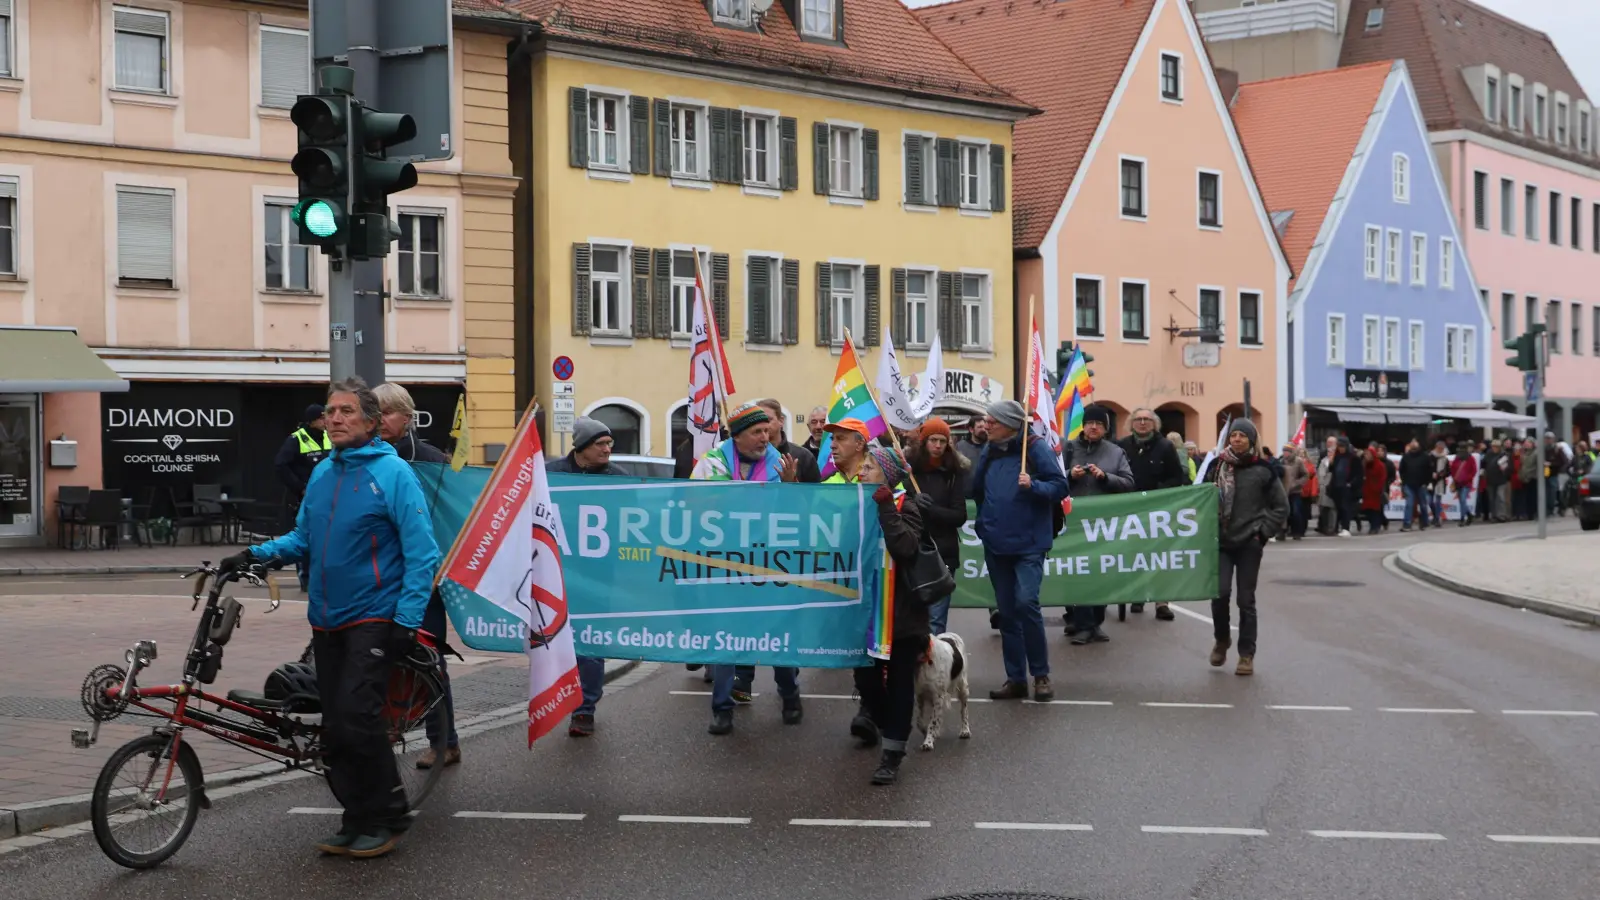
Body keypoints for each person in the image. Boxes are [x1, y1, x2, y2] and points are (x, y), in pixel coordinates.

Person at [223, 377, 440, 859]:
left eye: (345, 411)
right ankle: (356, 818)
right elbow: (302, 539)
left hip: (376, 615)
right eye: (329, 411)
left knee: (359, 718)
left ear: (371, 421)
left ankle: (390, 813)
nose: (335, 418)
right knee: (335, 727)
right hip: (327, 617)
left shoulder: (394, 475)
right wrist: (253, 555)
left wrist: (405, 620)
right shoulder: (323, 474)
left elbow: (423, 553)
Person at [692, 403, 801, 735]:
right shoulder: (712, 465)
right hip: (727, 567)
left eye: (767, 431)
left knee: (778, 638)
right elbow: (693, 506)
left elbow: (798, 516)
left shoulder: (780, 465)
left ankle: (790, 695)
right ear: (736, 436)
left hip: (770, 567)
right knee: (726, 639)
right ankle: (721, 709)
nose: (765, 438)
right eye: (756, 432)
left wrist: (792, 487)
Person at [373, 383, 457, 768]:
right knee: (378, 657)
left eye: (389, 412)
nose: (382, 420)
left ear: (407, 418)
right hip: (378, 577)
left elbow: (446, 520)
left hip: (424, 577)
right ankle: (388, 726)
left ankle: (443, 741)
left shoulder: (431, 460)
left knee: (427, 660)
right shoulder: (366, 458)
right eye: (376, 412)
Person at [971, 400, 1069, 702]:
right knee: (1007, 614)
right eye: (986, 421)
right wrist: (984, 524)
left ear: (1011, 425)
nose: (987, 426)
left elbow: (1059, 486)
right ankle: (1015, 678)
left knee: (1026, 603)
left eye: (993, 421)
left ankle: (1041, 675)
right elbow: (977, 489)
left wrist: (1034, 486)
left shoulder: (1035, 448)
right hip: (997, 544)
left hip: (1028, 544)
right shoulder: (990, 450)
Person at [846, 445, 927, 786]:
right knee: (866, 680)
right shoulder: (854, 505)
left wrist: (885, 508)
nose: (861, 471)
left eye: (869, 467)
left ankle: (893, 753)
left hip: (901, 614)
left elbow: (906, 548)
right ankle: (885, 722)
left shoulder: (906, 505)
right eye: (862, 466)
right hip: (865, 611)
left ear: (887, 477)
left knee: (899, 685)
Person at [547, 417, 626, 737]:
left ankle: (585, 709)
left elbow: (628, 523)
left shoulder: (619, 479)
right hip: (556, 570)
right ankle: (555, 696)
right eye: (601, 444)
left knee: (590, 641)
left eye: (610, 444)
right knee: (554, 639)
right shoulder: (552, 474)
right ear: (580, 447)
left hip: (597, 575)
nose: (608, 449)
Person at [1202, 420, 1287, 676]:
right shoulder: (1217, 466)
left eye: (1242, 436)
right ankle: (1222, 639)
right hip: (1222, 541)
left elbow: (1281, 507)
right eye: (1233, 435)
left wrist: (1262, 534)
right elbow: (1200, 498)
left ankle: (1246, 654)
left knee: (1245, 600)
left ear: (1252, 440)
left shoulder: (1263, 470)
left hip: (1250, 542)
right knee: (1220, 593)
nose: (1237, 439)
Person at [1064, 404, 1135, 643]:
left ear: (1105, 429)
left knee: (1102, 571)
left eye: (1099, 424)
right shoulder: (1068, 448)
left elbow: (1128, 482)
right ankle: (1083, 624)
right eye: (1090, 423)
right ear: (1083, 426)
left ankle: (1096, 622)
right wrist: (1068, 475)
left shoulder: (1115, 452)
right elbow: (1050, 477)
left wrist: (1105, 477)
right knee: (1082, 571)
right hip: (1074, 522)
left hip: (1104, 522)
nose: (1093, 427)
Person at [1117, 407, 1186, 619]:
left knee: (1159, 555)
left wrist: (1158, 492)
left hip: (1158, 510)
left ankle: (1161, 602)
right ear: (1131, 423)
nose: (1143, 423)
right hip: (1131, 510)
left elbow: (1178, 477)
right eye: (1139, 419)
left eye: (1147, 419)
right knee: (1134, 555)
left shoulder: (1165, 446)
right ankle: (1137, 595)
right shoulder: (1122, 446)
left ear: (1154, 423)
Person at [904, 417, 968, 636]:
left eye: (942, 441)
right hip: (914, 551)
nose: (938, 445)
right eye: (933, 440)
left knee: (936, 622)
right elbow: (898, 505)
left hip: (944, 554)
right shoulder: (910, 471)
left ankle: (935, 667)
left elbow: (959, 515)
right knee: (913, 619)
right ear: (924, 441)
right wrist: (913, 500)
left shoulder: (953, 473)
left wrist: (933, 509)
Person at [274, 404, 332, 591]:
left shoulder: (329, 435)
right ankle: (305, 578)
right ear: (312, 420)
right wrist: (300, 488)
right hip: (306, 498)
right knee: (307, 537)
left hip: (329, 496)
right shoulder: (297, 438)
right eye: (322, 418)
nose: (326, 421)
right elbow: (281, 465)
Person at [757, 398, 821, 484]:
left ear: (781, 420)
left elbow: (814, 494)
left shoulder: (803, 456)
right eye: (758, 421)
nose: (763, 425)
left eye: (767, 420)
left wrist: (792, 483)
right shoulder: (751, 455)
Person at [1329, 437, 1362, 537]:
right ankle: (1337, 527)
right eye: (1339, 447)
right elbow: (1332, 470)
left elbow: (1359, 474)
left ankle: (1346, 528)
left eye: (1342, 446)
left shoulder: (1353, 458)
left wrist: (1351, 484)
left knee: (1345, 507)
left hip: (1347, 487)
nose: (1341, 449)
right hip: (1337, 486)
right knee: (1339, 507)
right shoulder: (1337, 457)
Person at [822, 417, 872, 483]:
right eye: (832, 439)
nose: (832, 445)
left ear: (859, 444)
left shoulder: (874, 480)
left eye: (840, 438)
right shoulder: (826, 484)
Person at [1398, 439, 1433, 532]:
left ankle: (1425, 522)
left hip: (1421, 484)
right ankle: (1407, 524)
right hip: (1409, 484)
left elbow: (1429, 470)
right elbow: (1401, 470)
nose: (1413, 443)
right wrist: (1404, 481)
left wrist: (1426, 482)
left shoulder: (1425, 457)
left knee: (1423, 505)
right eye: (1411, 442)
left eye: (1415, 442)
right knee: (1409, 504)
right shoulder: (1406, 457)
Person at [1279, 443, 1310, 540]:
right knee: (1283, 512)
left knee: (1296, 512)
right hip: (1284, 491)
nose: (1285, 453)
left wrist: (1297, 483)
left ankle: (1297, 532)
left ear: (1291, 452)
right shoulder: (1281, 462)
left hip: (1295, 492)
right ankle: (1281, 532)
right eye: (1284, 451)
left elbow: (1305, 475)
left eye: (1287, 451)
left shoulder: (1298, 461)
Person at [1360, 442, 1389, 534]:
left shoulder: (1380, 465)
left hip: (1376, 491)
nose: (1367, 456)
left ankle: (1375, 527)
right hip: (1367, 490)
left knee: (1375, 510)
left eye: (1368, 454)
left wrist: (1379, 488)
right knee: (1367, 510)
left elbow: (1383, 477)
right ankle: (1377, 523)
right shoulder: (1365, 465)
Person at [1450, 441, 1478, 527]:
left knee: (1462, 500)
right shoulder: (1457, 458)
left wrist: (1467, 478)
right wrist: (1455, 477)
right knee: (1461, 501)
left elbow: (1474, 470)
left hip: (1466, 483)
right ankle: (1468, 515)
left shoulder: (1470, 458)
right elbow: (1453, 469)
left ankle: (1463, 518)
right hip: (1458, 482)